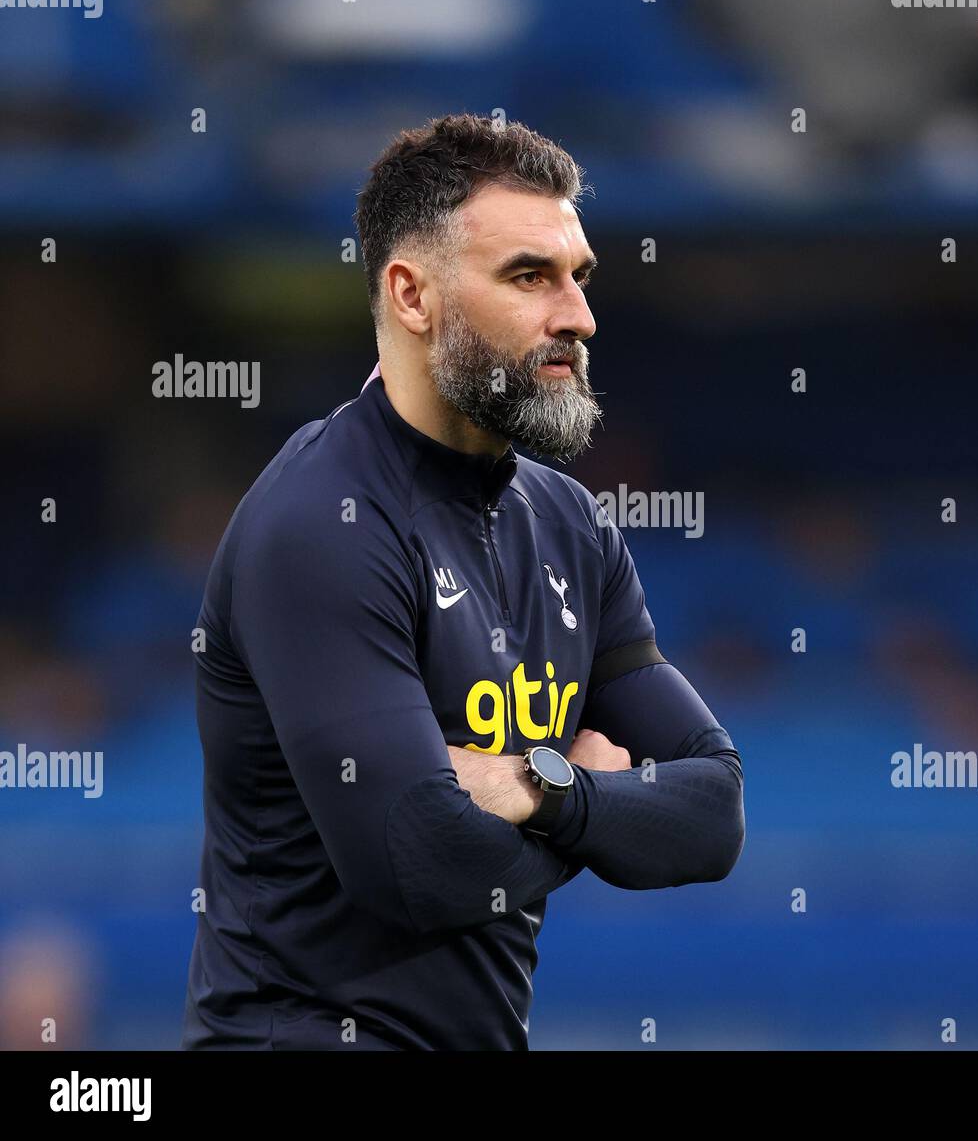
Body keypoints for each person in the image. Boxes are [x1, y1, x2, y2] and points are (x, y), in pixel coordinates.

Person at [181, 113, 745, 1050]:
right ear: (412, 294)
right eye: (530, 276)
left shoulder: (570, 526)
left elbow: (714, 814)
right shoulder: (324, 520)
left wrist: (542, 790)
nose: (578, 315)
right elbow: (419, 863)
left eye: (579, 278)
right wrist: (601, 808)